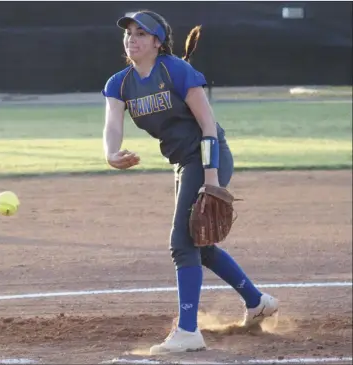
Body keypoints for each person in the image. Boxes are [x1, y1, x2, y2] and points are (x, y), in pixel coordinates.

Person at [101, 10, 279, 355]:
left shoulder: (177, 71)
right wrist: (110, 153)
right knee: (201, 245)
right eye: (129, 33)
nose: (132, 39)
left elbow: (208, 128)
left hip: (207, 158)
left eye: (141, 33)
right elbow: (112, 123)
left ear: (157, 41)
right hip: (184, 163)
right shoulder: (119, 83)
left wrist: (211, 180)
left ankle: (187, 331)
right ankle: (258, 303)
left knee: (182, 243)